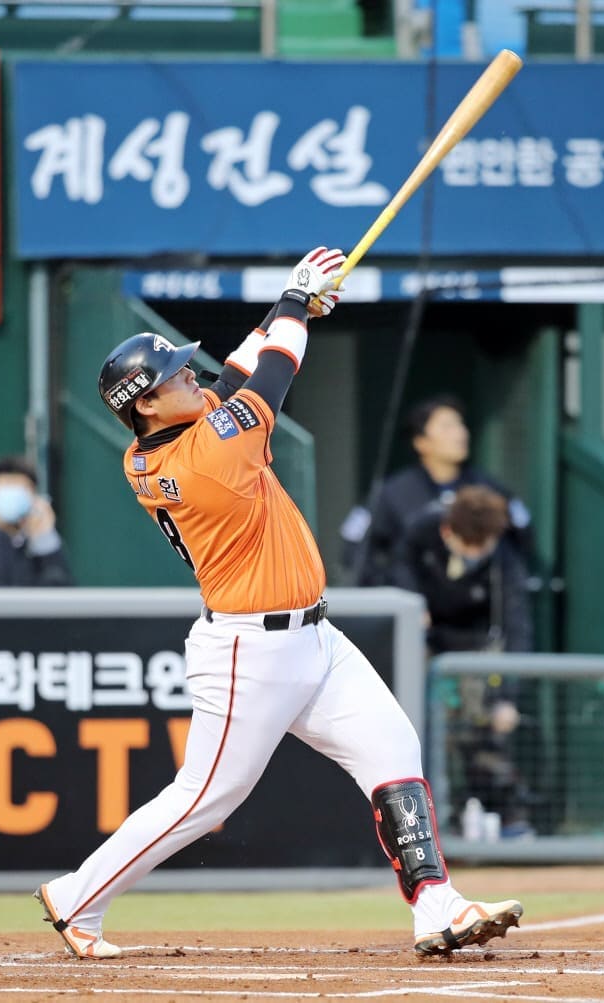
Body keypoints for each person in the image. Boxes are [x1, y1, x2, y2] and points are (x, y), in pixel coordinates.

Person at [33, 246, 522, 960]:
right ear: (145, 404)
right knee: (206, 796)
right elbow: (270, 377)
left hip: (314, 637)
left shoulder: (173, 437)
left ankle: (436, 905)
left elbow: (235, 373)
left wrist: (292, 308)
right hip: (249, 649)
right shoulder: (207, 459)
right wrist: (294, 303)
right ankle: (78, 896)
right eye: (174, 376)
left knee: (392, 746)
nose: (193, 375)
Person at [394, 485, 535, 837]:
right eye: (467, 545)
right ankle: (427, 825)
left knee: (482, 736)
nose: (474, 553)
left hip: (476, 652)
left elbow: (517, 625)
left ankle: (506, 819)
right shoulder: (422, 532)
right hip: (424, 646)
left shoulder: (505, 558)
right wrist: (414, 606)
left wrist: (507, 699)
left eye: (481, 546)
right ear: (448, 532)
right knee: (419, 736)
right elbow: (396, 570)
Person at [341, 394, 532, 586]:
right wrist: (392, 586)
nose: (461, 433)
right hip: (417, 597)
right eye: (447, 427)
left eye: (460, 425)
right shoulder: (393, 492)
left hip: (476, 596)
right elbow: (354, 543)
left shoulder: (487, 488)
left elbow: (522, 530)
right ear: (421, 442)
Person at [0, 455, 73, 586]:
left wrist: (44, 540)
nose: (16, 492)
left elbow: (61, 588)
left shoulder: (36, 539)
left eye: (25, 487)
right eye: (9, 484)